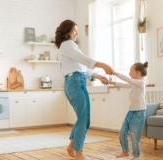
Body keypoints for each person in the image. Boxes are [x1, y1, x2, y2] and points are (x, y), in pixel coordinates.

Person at [55, 19, 114, 160]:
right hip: (76, 83)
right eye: (75, 29)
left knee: (83, 118)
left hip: (74, 81)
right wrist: (103, 65)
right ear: (68, 31)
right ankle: (79, 153)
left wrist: (98, 76)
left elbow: (79, 69)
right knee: (84, 118)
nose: (77, 32)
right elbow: (83, 59)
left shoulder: (66, 46)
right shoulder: (68, 44)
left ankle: (72, 147)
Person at [103, 62, 148, 160]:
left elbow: (128, 80)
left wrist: (115, 73)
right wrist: (110, 82)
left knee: (134, 137)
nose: (129, 73)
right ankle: (125, 151)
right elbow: (124, 84)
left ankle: (136, 155)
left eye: (131, 71)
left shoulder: (141, 83)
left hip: (139, 114)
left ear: (138, 73)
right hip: (131, 112)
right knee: (122, 133)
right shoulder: (134, 83)